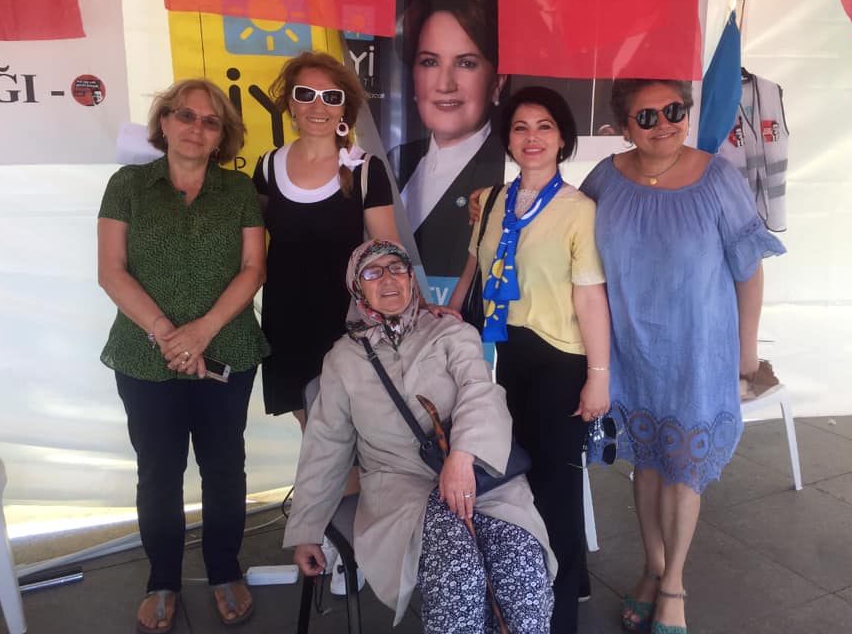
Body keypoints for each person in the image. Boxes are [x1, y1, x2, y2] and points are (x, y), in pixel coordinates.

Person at [580, 79, 786, 634]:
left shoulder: (717, 178)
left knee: (683, 470)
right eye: (647, 117)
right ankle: (652, 567)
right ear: (624, 128)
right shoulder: (604, 180)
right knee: (647, 464)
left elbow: (748, 270)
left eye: (674, 110)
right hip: (631, 349)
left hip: (698, 350)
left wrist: (747, 352)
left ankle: (673, 584)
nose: (664, 124)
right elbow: (567, 237)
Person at [285, 239, 556, 633]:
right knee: (457, 571)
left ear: (411, 278)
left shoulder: (449, 331)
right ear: (357, 287)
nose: (387, 279)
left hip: (479, 478)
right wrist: (307, 530)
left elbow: (481, 391)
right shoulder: (343, 360)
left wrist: (462, 457)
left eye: (397, 268)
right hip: (402, 491)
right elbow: (326, 445)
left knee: (521, 567)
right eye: (372, 272)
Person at [97, 78, 268, 632]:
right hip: (144, 357)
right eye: (186, 115)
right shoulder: (127, 185)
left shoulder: (238, 190)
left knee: (224, 467)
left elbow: (253, 269)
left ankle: (224, 571)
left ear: (222, 136)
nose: (197, 127)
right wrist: (168, 334)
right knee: (159, 472)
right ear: (165, 122)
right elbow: (111, 271)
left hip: (228, 350)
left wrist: (203, 331)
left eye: (210, 121)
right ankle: (162, 580)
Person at [449, 86, 611, 634]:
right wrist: (450, 315)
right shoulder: (493, 200)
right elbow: (474, 267)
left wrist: (598, 378)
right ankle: (565, 581)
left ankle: (559, 618)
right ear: (508, 139)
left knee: (556, 488)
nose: (532, 137)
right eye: (521, 127)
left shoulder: (578, 211)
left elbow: (590, 297)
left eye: (545, 127)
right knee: (523, 480)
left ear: (562, 138)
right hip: (510, 354)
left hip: (562, 359)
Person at [252, 51, 398, 423]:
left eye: (331, 97)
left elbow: (388, 255)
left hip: (347, 323)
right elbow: (250, 248)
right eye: (305, 94)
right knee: (313, 432)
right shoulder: (267, 167)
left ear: (344, 108)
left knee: (355, 431)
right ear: (290, 103)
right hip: (287, 321)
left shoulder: (365, 169)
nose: (318, 106)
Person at [390, 0, 508, 291]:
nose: (445, 84)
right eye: (430, 62)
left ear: (497, 82)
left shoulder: (509, 170)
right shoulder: (393, 160)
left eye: (466, 63)